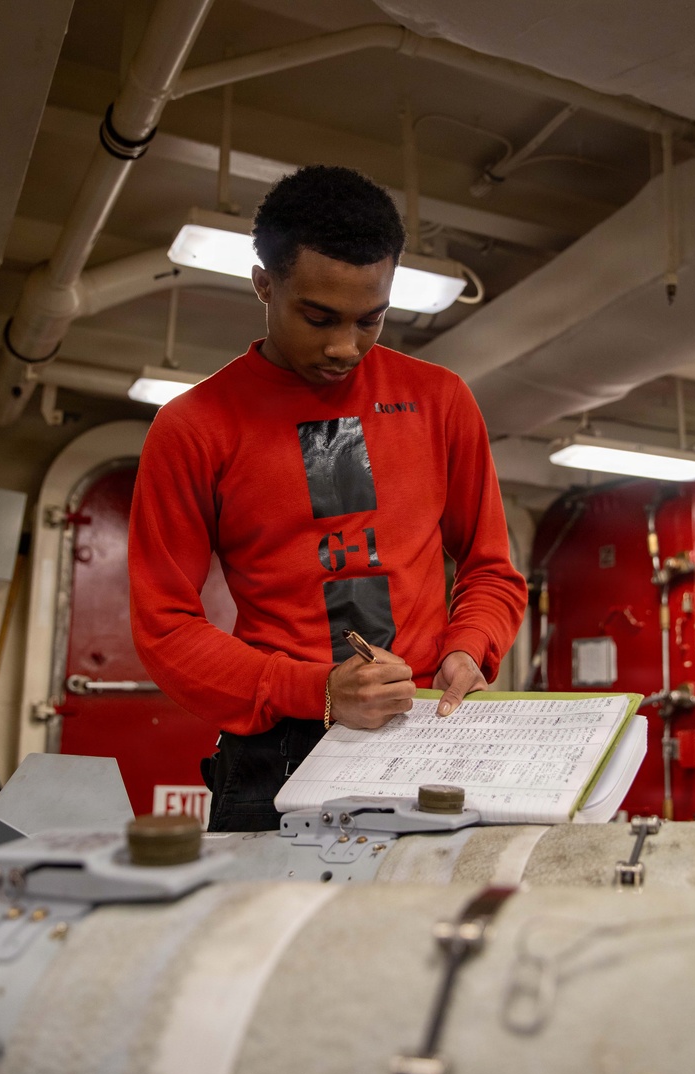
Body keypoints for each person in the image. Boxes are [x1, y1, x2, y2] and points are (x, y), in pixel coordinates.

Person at [129, 165, 528, 831]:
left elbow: (491, 569)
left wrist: (470, 646)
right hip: (278, 752)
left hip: (427, 733)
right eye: (318, 318)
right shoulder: (194, 427)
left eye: (371, 320)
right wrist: (316, 689)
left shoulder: (440, 401)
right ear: (264, 283)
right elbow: (165, 628)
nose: (344, 347)